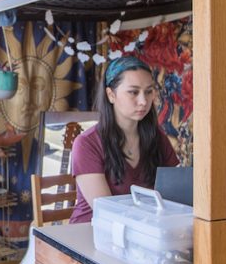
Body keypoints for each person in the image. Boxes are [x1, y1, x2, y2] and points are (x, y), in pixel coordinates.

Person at [69, 56, 179, 224]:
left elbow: (175, 195)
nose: (143, 101)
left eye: (149, 91)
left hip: (143, 233)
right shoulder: (86, 144)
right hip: (91, 235)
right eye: (133, 92)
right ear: (111, 94)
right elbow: (107, 212)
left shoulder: (157, 137)